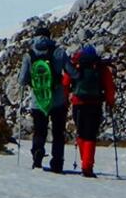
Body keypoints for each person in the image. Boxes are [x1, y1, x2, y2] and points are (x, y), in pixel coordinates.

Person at [17, 26, 69, 172]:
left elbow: (22, 80)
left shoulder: (29, 55)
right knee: (58, 132)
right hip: (58, 100)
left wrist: (31, 82)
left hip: (38, 100)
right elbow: (72, 72)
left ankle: (38, 156)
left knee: (40, 131)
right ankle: (57, 162)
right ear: (49, 37)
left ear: (35, 37)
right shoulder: (59, 52)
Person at [63, 45, 116, 178]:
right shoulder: (101, 67)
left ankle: (84, 162)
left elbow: (65, 83)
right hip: (95, 105)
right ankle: (87, 166)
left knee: (81, 133)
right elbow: (109, 87)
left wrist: (65, 100)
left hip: (78, 104)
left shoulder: (76, 65)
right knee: (90, 135)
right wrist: (110, 102)